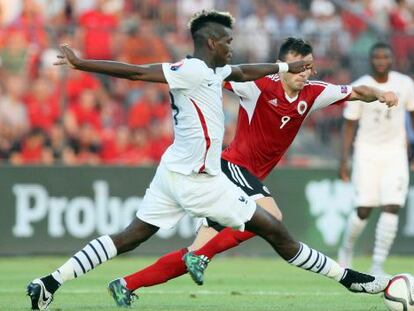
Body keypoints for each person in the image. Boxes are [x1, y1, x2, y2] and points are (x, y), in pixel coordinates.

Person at [27, 12, 393, 311]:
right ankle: (354, 281)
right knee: (278, 231)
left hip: (173, 171)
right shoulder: (188, 70)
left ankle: (50, 282)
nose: (233, 47)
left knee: (130, 237)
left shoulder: (217, 72)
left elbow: (248, 70)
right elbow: (136, 71)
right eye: (229, 42)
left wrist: (284, 65)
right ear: (212, 43)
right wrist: (82, 63)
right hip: (203, 179)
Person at [108, 38, 401, 306]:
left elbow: (357, 91)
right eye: (299, 67)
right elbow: (214, 75)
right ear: (284, 65)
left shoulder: (314, 93)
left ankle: (125, 284)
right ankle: (202, 256)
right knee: (271, 216)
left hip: (246, 181)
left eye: (309, 67)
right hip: (230, 168)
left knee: (193, 254)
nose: (305, 73)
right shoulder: (257, 85)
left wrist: (379, 92)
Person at [338, 42, 414, 276]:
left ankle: (378, 264)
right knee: (363, 210)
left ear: (392, 60)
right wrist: (344, 160)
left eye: (385, 57)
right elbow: (349, 125)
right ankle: (346, 248)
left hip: (395, 152)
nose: (381, 61)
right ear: (370, 60)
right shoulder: (361, 86)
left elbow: (412, 116)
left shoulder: (405, 84)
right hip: (366, 151)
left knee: (391, 206)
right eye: (377, 57)